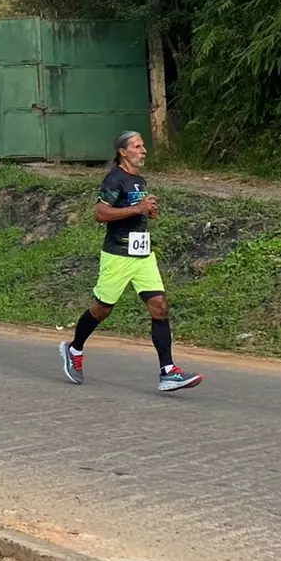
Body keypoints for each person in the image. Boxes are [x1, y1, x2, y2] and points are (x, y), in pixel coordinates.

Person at [59, 131, 202, 392]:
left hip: (143, 255)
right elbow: (100, 213)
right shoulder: (114, 179)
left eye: (143, 146)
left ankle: (168, 371)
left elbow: (139, 211)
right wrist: (137, 209)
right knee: (103, 309)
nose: (143, 150)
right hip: (118, 255)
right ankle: (74, 349)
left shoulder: (139, 180)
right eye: (137, 146)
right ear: (123, 152)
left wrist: (150, 211)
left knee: (159, 306)